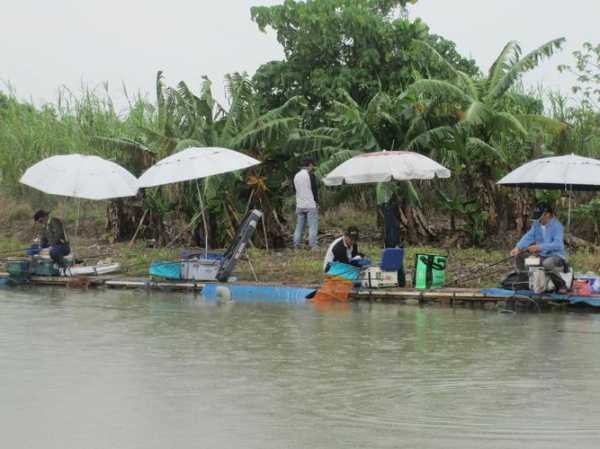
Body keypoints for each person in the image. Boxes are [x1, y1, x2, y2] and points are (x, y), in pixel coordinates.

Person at [510, 202, 567, 291]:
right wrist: (518, 247)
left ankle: (561, 285)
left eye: (540, 217)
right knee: (519, 256)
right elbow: (528, 236)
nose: (538, 220)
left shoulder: (557, 226)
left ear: (547, 215)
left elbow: (558, 245)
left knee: (547, 263)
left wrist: (539, 247)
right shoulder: (536, 225)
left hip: (555, 256)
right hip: (540, 256)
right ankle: (524, 281)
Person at [293, 158, 319, 249]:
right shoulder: (310, 175)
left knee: (299, 228)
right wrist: (317, 202)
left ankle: (296, 246)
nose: (313, 168)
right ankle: (313, 246)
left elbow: (295, 190)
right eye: (312, 166)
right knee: (312, 227)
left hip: (299, 205)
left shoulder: (296, 176)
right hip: (310, 205)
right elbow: (314, 190)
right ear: (310, 165)